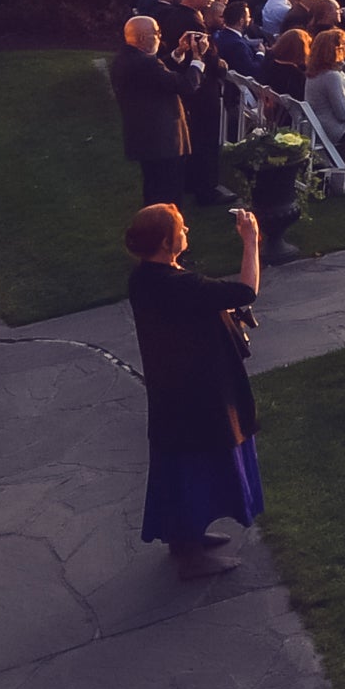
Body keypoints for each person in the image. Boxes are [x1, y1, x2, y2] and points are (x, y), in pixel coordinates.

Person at [126, 202, 265, 582]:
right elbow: (245, 290)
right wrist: (251, 241)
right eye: (182, 229)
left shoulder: (144, 278)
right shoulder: (180, 285)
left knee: (178, 465)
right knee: (195, 467)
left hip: (171, 390)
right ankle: (190, 557)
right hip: (198, 392)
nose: (188, 231)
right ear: (168, 243)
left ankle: (184, 537)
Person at [108, 13, 208, 207]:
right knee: (167, 194)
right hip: (163, 141)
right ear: (144, 38)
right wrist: (198, 58)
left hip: (146, 138)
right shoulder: (146, 63)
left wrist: (179, 52)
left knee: (153, 190)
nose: (160, 37)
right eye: (157, 33)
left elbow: (158, 78)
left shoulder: (126, 58)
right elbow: (186, 85)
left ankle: (152, 228)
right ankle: (167, 231)